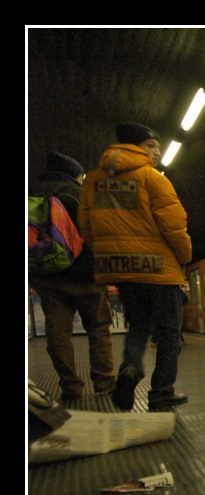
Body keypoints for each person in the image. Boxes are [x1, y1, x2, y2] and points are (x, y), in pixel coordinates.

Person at [79, 122, 192, 412]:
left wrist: (111, 254)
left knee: (138, 327)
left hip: (124, 270)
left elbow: (87, 228)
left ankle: (130, 369)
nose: (157, 152)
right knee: (169, 333)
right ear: (132, 147)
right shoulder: (151, 178)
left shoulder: (94, 182)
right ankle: (161, 393)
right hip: (159, 269)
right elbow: (173, 226)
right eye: (151, 145)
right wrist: (183, 256)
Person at [28, 152, 117, 402]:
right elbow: (101, 232)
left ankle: (71, 387)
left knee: (58, 333)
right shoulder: (81, 194)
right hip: (85, 275)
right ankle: (104, 383)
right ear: (76, 175)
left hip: (47, 277)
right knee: (99, 328)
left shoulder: (31, 194)